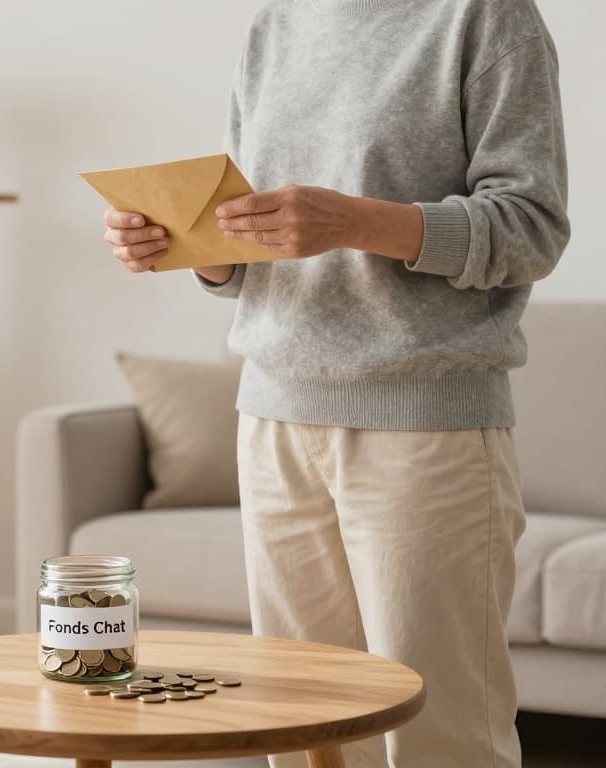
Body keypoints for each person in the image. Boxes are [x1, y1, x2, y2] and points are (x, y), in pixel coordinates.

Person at [102, 1, 569, 766]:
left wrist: (353, 222)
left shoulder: (483, 16)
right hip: (272, 420)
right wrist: (185, 243)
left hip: (424, 431)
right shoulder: (276, 25)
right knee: (301, 727)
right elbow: (245, 250)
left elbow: (531, 228)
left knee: (442, 736)